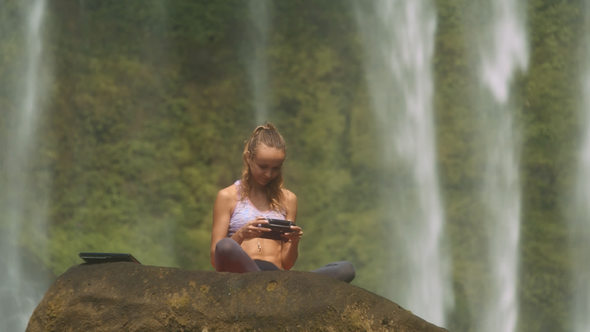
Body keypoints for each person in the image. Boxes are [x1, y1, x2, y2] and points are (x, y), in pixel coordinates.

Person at [210, 123, 355, 282]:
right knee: (225, 245)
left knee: (345, 269)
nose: (268, 174)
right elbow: (216, 258)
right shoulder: (227, 196)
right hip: (245, 274)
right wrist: (242, 234)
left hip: (279, 276)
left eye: (276, 168)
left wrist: (293, 242)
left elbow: (287, 263)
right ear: (248, 158)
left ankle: (276, 287)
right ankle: (269, 286)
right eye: (263, 166)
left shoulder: (288, 199)